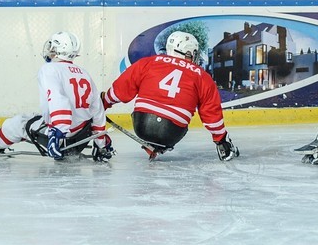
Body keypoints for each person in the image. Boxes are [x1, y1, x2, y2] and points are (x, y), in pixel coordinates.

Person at [100, 31, 239, 161]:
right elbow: (211, 112)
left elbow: (122, 88)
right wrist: (221, 139)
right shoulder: (202, 76)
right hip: (172, 132)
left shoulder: (149, 62)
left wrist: (103, 104)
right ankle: (159, 144)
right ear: (189, 52)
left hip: (141, 125)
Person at [0, 32, 114, 161]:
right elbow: (98, 109)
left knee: (19, 123)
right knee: (34, 118)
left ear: (59, 50)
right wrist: (101, 143)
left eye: (52, 47)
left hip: (61, 137)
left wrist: (58, 131)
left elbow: (57, 99)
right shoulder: (84, 73)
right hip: (80, 137)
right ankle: (1, 134)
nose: (50, 50)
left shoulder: (49, 69)